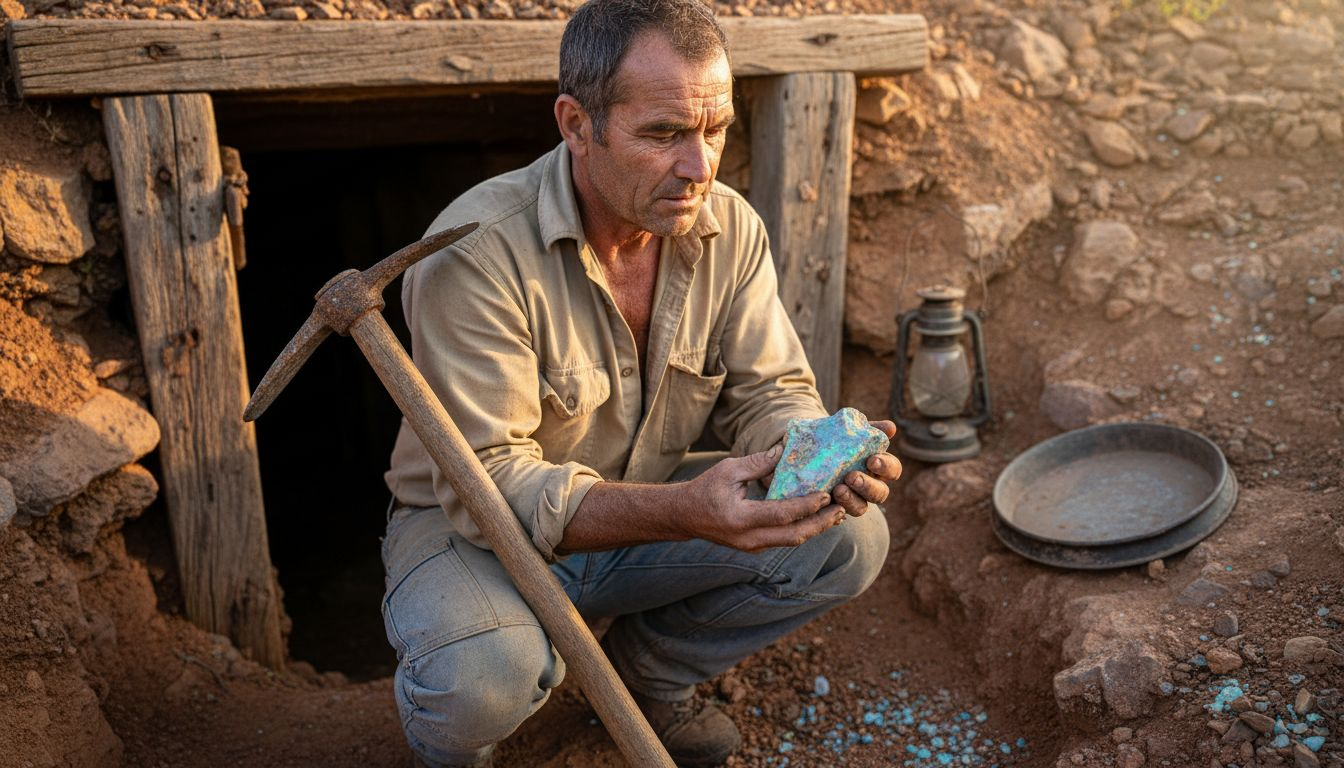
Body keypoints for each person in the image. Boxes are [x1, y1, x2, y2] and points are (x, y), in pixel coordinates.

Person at [381, 0, 903, 765]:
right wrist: (687, 510)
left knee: (847, 537)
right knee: (483, 678)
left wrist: (815, 456)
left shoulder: (728, 227)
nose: (699, 167)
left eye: (715, 130)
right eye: (663, 134)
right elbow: (490, 484)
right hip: (479, 536)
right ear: (576, 124)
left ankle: (647, 677)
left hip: (641, 516)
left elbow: (771, 391)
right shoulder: (474, 254)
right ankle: (460, 744)